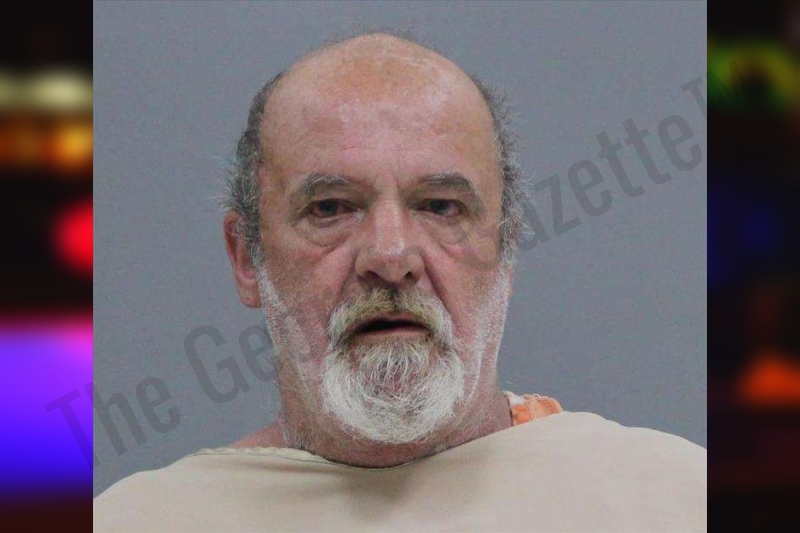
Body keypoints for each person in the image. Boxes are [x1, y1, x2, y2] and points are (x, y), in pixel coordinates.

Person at [94, 32, 706, 532]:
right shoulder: (140, 522)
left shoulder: (675, 503)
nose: (390, 257)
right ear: (246, 258)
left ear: (506, 250)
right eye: (331, 208)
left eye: (440, 207)